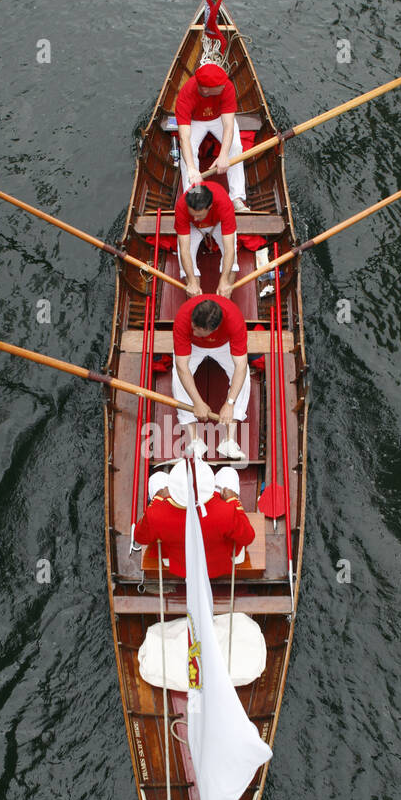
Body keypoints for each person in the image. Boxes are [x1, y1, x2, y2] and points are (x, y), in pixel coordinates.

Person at [134, 459, 254, 579]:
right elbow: (248, 537)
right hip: (216, 563)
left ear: (174, 490)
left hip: (179, 564)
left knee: (158, 478)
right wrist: (232, 499)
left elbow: (140, 537)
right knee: (228, 473)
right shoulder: (227, 511)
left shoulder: (155, 514)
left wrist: (158, 499)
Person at [172, 295, 249, 460]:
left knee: (244, 374)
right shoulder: (184, 317)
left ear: (212, 330)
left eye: (197, 331)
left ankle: (229, 441)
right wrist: (197, 403)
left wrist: (229, 403)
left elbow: (240, 366)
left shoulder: (234, 320)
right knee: (177, 376)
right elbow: (182, 366)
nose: (192, 330)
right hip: (193, 346)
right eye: (192, 327)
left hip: (224, 345)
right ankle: (194, 440)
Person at [175, 62, 250, 211]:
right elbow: (184, 137)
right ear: (205, 89)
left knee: (235, 146)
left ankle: (237, 197)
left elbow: (228, 126)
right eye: (220, 85)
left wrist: (223, 156)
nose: (225, 85)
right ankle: (193, 194)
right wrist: (191, 168)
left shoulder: (227, 86)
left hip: (219, 118)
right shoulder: (185, 96)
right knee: (187, 154)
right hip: (195, 121)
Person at [175, 181, 239, 300]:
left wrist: (224, 280)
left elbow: (229, 250)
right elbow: (184, 250)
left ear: (210, 207)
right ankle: (195, 299)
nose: (195, 218)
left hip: (218, 222)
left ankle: (225, 299)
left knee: (232, 262)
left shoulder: (224, 203)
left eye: (198, 215)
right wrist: (192, 281)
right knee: (187, 272)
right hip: (191, 226)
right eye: (192, 214)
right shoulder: (182, 205)